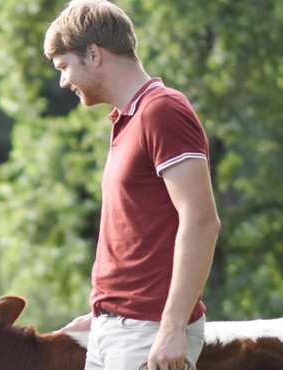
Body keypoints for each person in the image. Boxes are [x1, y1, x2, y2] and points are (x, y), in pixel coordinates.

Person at [43, 1, 221, 370]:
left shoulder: (163, 110)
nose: (63, 81)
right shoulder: (128, 120)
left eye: (64, 67)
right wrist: (103, 316)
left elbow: (202, 221)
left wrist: (171, 328)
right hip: (115, 330)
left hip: (149, 331)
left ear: (93, 54)